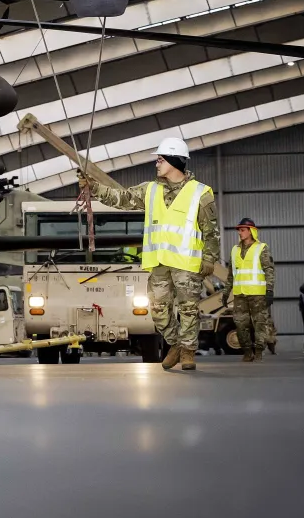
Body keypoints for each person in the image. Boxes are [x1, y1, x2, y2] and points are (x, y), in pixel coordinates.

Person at [80, 136, 219, 372]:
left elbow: (211, 230)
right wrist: (94, 188)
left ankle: (187, 352)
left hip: (186, 263)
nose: (156, 163)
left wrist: (209, 258)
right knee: (157, 310)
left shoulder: (201, 193)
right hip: (159, 263)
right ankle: (175, 343)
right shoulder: (150, 190)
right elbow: (122, 199)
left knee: (188, 309)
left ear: (174, 161)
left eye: (161, 159)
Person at [230, 217, 275, 362]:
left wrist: (269, 290)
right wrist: (225, 292)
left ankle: (259, 352)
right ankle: (247, 352)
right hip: (240, 295)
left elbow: (269, 270)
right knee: (240, 324)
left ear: (251, 231)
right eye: (239, 230)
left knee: (259, 323)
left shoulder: (261, 248)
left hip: (258, 295)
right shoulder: (235, 250)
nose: (240, 233)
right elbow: (231, 274)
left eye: (242, 230)